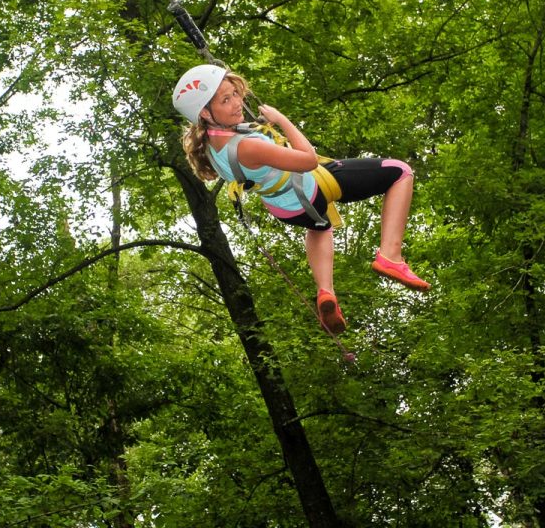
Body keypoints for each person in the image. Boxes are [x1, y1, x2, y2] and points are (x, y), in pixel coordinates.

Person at [173, 64, 430, 335]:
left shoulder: (211, 144)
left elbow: (243, 137)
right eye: (226, 100)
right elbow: (307, 160)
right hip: (311, 190)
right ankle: (391, 255)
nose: (238, 102)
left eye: (235, 93)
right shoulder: (246, 146)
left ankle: (325, 292)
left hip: (288, 209)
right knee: (400, 171)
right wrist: (282, 119)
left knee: (319, 226)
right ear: (205, 113)